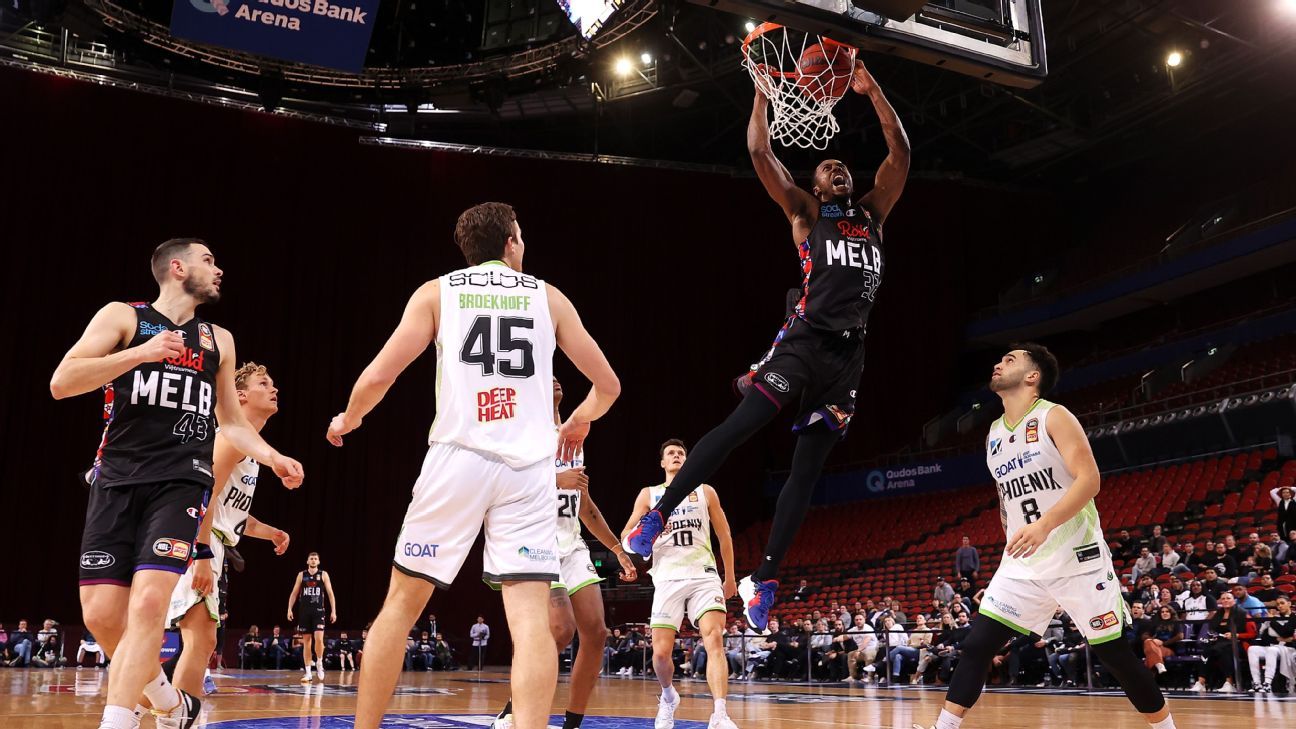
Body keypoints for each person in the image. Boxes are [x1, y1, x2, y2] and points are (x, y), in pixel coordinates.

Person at [625, 59, 910, 632]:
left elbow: (900, 152)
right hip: (804, 342)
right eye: (827, 167)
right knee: (740, 427)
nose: (837, 168)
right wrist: (761, 98)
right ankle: (657, 517)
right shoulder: (805, 213)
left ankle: (768, 580)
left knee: (806, 474)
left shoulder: (874, 214)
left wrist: (872, 90)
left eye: (842, 166)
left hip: (848, 358)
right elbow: (760, 155)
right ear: (815, 186)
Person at [326, 202, 620, 729]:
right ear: (510, 242)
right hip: (529, 471)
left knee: (400, 605)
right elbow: (609, 387)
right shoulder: (548, 297)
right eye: (522, 237)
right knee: (530, 619)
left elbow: (378, 376)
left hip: (457, 459)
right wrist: (576, 421)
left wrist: (348, 418)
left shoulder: (437, 291)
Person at [52, 238, 304, 729]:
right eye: (208, 260)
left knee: (148, 604)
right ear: (176, 267)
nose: (218, 269)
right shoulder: (125, 317)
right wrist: (141, 353)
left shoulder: (219, 340)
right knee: (103, 617)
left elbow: (230, 423)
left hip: (182, 481)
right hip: (118, 477)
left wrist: (274, 457)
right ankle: (170, 703)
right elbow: (63, 381)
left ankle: (118, 721)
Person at [914, 344, 1177, 729]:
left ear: (1033, 376)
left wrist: (1043, 525)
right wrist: (1010, 548)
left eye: (1010, 360)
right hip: (1024, 563)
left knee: (1114, 655)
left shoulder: (1054, 416)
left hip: (1076, 555)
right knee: (977, 645)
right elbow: (1007, 498)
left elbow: (1090, 480)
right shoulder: (992, 435)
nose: (998, 364)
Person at [493, 378, 638, 729]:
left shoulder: (573, 441)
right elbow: (506, 484)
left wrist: (617, 549)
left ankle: (572, 723)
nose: (554, 379)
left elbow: (585, 506)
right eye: (547, 376)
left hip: (571, 546)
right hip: (536, 543)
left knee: (597, 631)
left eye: (558, 377)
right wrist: (558, 481)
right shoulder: (523, 434)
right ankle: (515, 706)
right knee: (560, 631)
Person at [163, 361, 292, 699]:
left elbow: (231, 514)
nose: (273, 389)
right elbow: (203, 497)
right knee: (200, 640)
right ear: (241, 396)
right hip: (197, 543)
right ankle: (171, 716)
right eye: (264, 384)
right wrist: (202, 553)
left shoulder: (248, 447)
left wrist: (270, 532)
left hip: (210, 541)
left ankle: (156, 711)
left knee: (200, 641)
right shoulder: (232, 439)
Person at [621, 439, 739, 729]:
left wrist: (731, 576)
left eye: (681, 453)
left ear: (687, 461)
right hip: (667, 576)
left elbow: (724, 536)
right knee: (660, 653)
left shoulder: (705, 491)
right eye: (670, 453)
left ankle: (720, 714)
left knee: (714, 638)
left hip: (703, 574)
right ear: (662, 462)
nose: (676, 456)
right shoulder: (649, 494)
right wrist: (640, 540)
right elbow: (626, 536)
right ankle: (668, 696)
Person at [286, 552, 337, 683]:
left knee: (319, 640)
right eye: (311, 558)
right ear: (307, 561)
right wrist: (289, 609)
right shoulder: (301, 575)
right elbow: (294, 593)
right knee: (306, 643)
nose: (313, 560)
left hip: (319, 611)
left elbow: (330, 594)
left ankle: (319, 662)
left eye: (315, 559)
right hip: (304, 612)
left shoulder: (323, 574)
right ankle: (308, 672)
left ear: (318, 562)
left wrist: (333, 611)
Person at [1191, 590, 1254, 693]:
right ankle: (1201, 683)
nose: (1225, 600)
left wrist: (1236, 635)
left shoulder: (1243, 613)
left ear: (1234, 600)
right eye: (1223, 599)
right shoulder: (1218, 614)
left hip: (1238, 643)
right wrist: (1213, 635)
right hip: (1219, 641)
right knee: (1206, 650)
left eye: (1228, 598)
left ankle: (1229, 683)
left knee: (1224, 650)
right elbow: (1212, 629)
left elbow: (1252, 634)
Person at [1247, 594, 1294, 694]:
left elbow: (1286, 631)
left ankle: (1267, 683)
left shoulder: (1294, 617)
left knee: (1272, 650)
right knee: (1252, 649)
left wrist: (1273, 621)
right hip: (1274, 647)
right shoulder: (1274, 618)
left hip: (1289, 649)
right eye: (1277, 604)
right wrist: (1280, 637)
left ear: (1289, 604)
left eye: (1282, 603)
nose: (1279, 606)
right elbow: (1264, 638)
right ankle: (1257, 683)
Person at [1141, 606, 1182, 675]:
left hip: (1169, 649)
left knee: (1149, 654)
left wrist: (1163, 643)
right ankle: (1159, 664)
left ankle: (1147, 681)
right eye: (1162, 612)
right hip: (1155, 647)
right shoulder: (1156, 623)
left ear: (1171, 613)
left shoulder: (1176, 623)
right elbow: (1144, 636)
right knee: (1148, 642)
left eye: (1167, 611)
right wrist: (1154, 640)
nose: (1164, 613)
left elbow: (1180, 636)